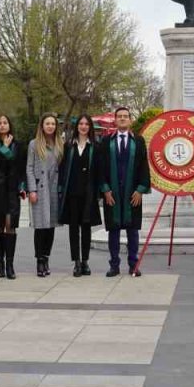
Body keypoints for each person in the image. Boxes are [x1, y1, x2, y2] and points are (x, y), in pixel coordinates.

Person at [99, 107, 151, 277]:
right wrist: (105, 190)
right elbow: (99, 169)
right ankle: (114, 265)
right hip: (112, 193)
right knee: (113, 230)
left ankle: (133, 264)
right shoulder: (106, 141)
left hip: (132, 193)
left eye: (125, 116)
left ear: (130, 120)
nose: (122, 119)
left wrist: (140, 190)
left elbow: (144, 166)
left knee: (133, 231)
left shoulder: (139, 141)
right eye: (119, 116)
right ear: (115, 120)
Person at [0, 115, 26, 279]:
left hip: (11, 190)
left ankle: (10, 264)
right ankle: (0, 264)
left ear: (10, 125)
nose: (2, 125)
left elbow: (19, 166)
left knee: (10, 225)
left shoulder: (18, 145)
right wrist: (4, 148)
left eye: (5, 122)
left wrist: (22, 186)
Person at [60, 115, 102, 277]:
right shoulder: (69, 146)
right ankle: (76, 262)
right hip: (71, 193)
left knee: (86, 227)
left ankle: (85, 261)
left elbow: (99, 171)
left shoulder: (96, 147)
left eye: (86, 124)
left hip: (88, 194)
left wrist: (98, 193)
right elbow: (63, 169)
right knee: (73, 228)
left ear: (90, 127)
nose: (83, 127)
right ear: (77, 126)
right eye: (81, 124)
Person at [27, 113, 63, 277]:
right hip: (40, 189)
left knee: (51, 226)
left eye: (53, 124)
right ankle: (39, 260)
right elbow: (29, 168)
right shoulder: (34, 144)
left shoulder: (60, 144)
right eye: (47, 123)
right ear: (42, 126)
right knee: (40, 226)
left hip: (54, 188)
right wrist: (32, 190)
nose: (50, 126)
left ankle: (46, 257)